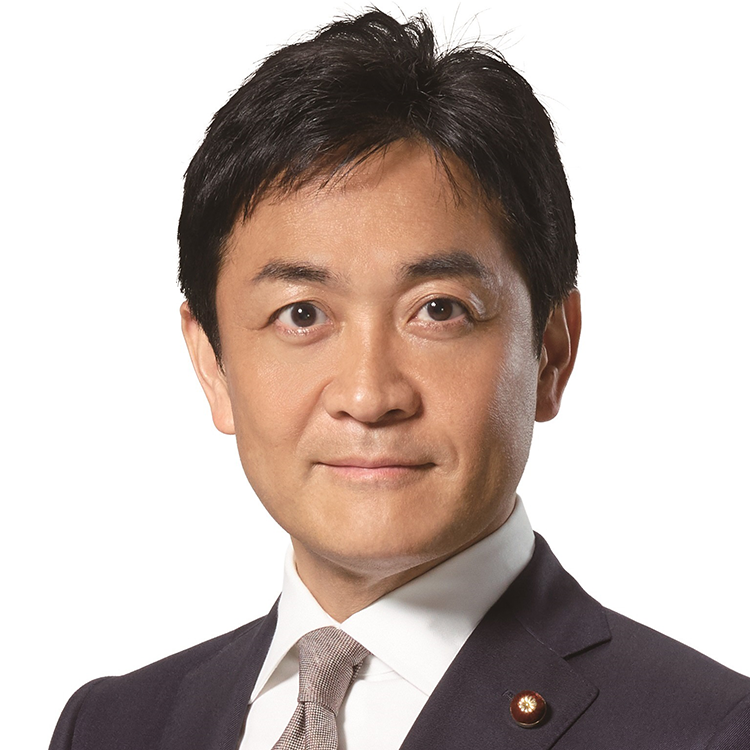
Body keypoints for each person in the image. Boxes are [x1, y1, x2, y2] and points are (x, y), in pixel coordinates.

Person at [49, 9, 750, 749]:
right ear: (211, 364)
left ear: (551, 350)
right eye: (301, 315)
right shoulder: (112, 727)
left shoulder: (707, 732)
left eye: (439, 310)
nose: (369, 396)